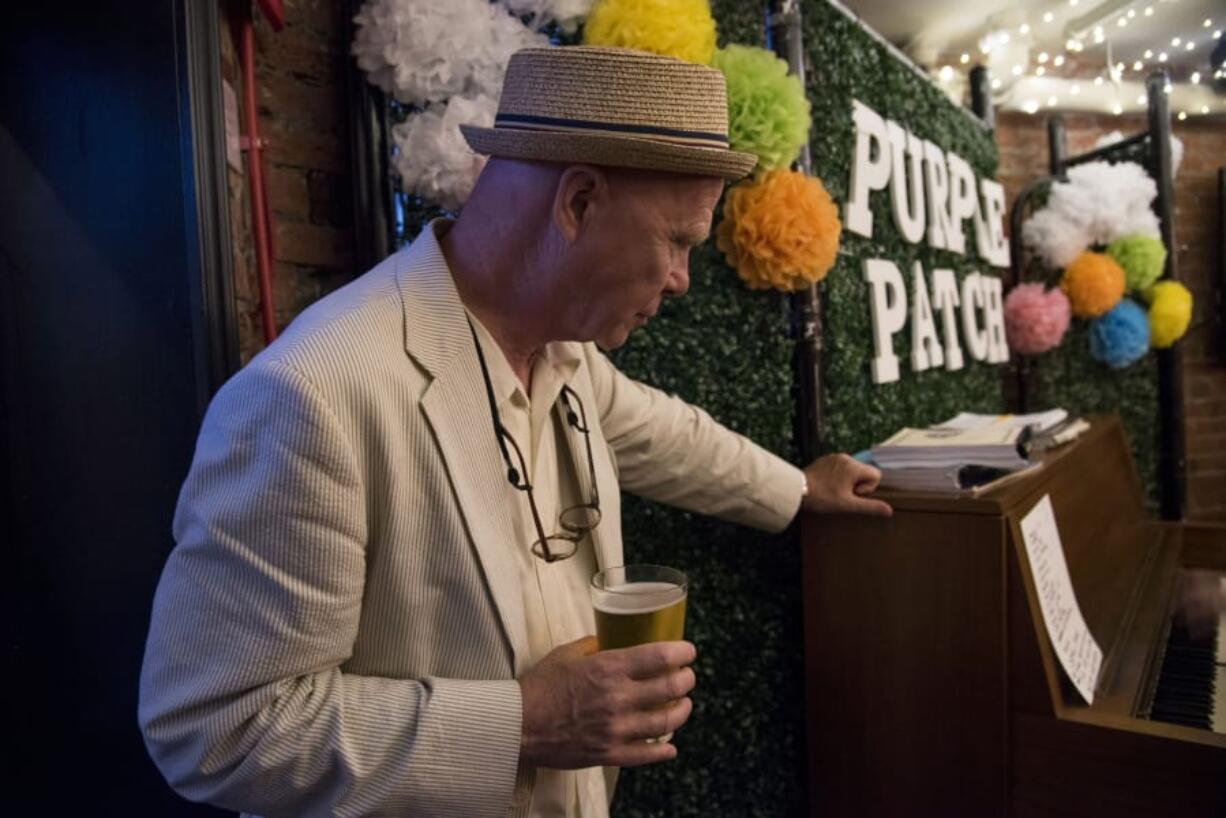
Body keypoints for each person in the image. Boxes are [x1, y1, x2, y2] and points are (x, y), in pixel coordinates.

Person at [139, 45, 891, 818]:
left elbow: (672, 437)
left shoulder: (565, 354)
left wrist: (800, 489)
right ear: (578, 204)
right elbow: (214, 729)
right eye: (677, 241)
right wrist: (528, 722)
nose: (680, 280)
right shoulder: (314, 394)